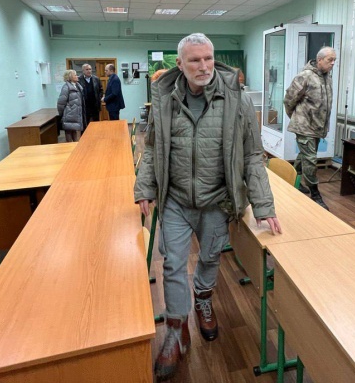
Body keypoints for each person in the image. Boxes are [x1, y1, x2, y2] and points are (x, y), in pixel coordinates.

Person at [134, 33, 281, 381]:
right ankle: (176, 329)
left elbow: (252, 154)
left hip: (217, 199)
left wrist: (264, 204)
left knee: (211, 258)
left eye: (208, 58)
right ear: (180, 64)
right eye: (194, 60)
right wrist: (145, 187)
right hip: (176, 199)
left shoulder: (236, 99)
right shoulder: (165, 98)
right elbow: (153, 148)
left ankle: (203, 299)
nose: (203, 66)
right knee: (172, 263)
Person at [283, 46, 337, 210]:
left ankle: (293, 180)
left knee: (305, 155)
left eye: (334, 60)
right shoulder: (305, 76)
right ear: (319, 60)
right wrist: (297, 118)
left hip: (318, 126)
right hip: (304, 126)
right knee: (311, 160)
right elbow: (289, 99)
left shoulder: (327, 77)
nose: (333, 63)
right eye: (330, 60)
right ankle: (315, 194)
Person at [57, 69, 84, 142]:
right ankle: (70, 148)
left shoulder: (77, 86)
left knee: (75, 132)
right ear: (70, 77)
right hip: (69, 114)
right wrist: (62, 114)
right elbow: (61, 103)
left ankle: (75, 147)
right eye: (75, 75)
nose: (77, 76)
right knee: (68, 133)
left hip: (76, 114)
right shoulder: (66, 87)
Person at [77, 64, 102, 129]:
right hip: (85, 106)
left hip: (95, 105)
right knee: (85, 124)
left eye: (90, 69)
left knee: (96, 123)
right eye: (87, 69)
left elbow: (101, 90)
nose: (89, 71)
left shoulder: (96, 79)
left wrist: (99, 98)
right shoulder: (79, 80)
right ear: (83, 71)